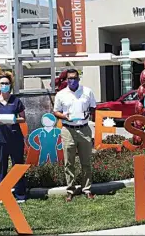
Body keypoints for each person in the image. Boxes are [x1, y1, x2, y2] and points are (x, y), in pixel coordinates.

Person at [53, 69, 96, 202]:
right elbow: (56, 111)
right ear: (66, 80)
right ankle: (70, 190)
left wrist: (88, 114)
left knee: (86, 162)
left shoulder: (87, 91)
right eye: (70, 78)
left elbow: (93, 107)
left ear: (79, 78)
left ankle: (87, 189)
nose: (72, 80)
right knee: (68, 163)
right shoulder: (61, 94)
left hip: (84, 129)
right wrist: (64, 116)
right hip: (68, 130)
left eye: (75, 78)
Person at [0, 74, 27, 202]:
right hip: (0, 138)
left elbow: (23, 118)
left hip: (15, 138)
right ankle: (1, 193)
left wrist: (14, 119)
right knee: (1, 166)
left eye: (6, 83)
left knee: (17, 165)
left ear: (10, 85)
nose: (4, 86)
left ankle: (20, 193)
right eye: (2, 83)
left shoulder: (16, 101)